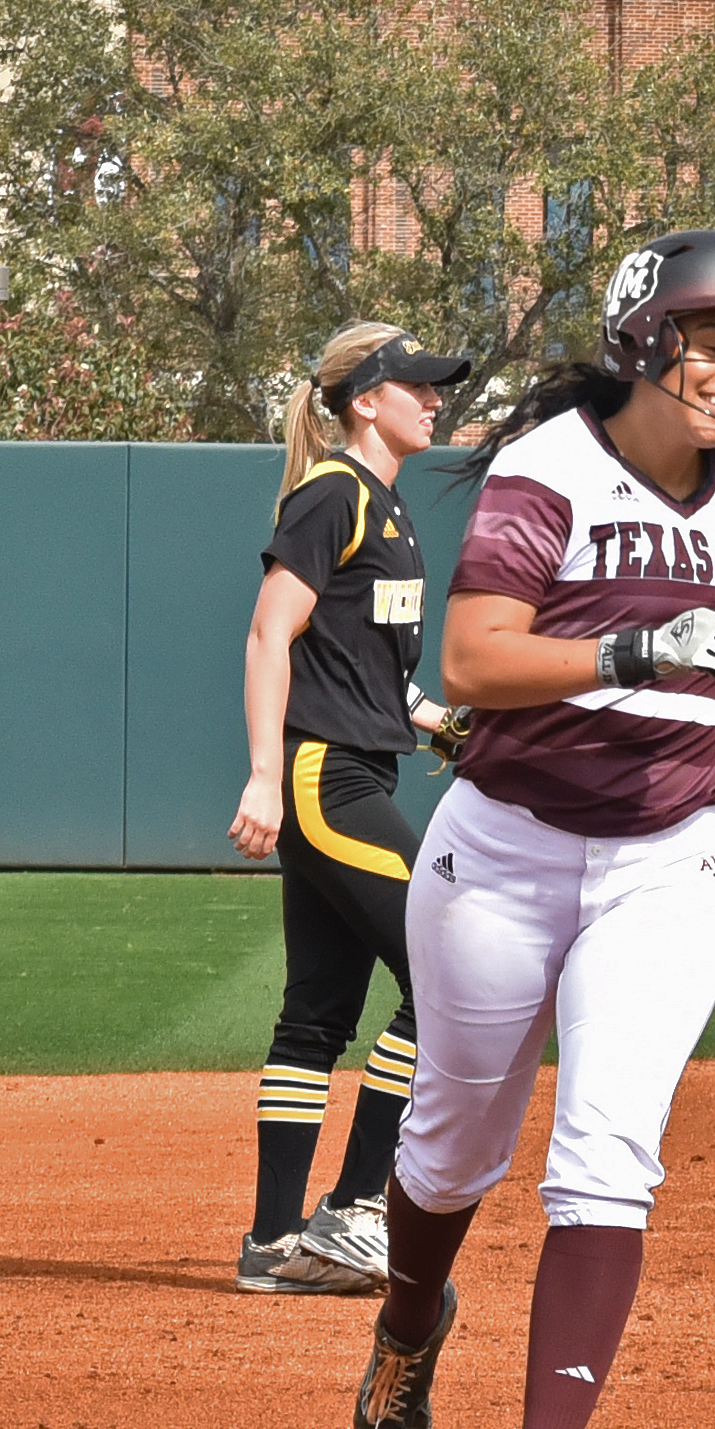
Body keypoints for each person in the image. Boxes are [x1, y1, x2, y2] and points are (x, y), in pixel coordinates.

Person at [348, 230, 715, 1429]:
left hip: (677, 850)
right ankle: (409, 1320)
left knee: (608, 1150)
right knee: (446, 1153)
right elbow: (475, 658)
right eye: (712, 340)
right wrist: (627, 647)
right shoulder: (550, 469)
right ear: (645, 340)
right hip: (508, 845)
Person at [228, 320, 472, 1295]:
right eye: (417, 384)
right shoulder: (335, 492)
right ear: (365, 398)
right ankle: (352, 1210)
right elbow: (268, 635)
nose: (435, 397)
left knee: (316, 1018)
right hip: (325, 780)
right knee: (446, 975)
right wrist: (260, 776)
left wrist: (441, 725)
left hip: (358, 762)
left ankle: (272, 1245)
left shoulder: (390, 509)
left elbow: (366, 674)